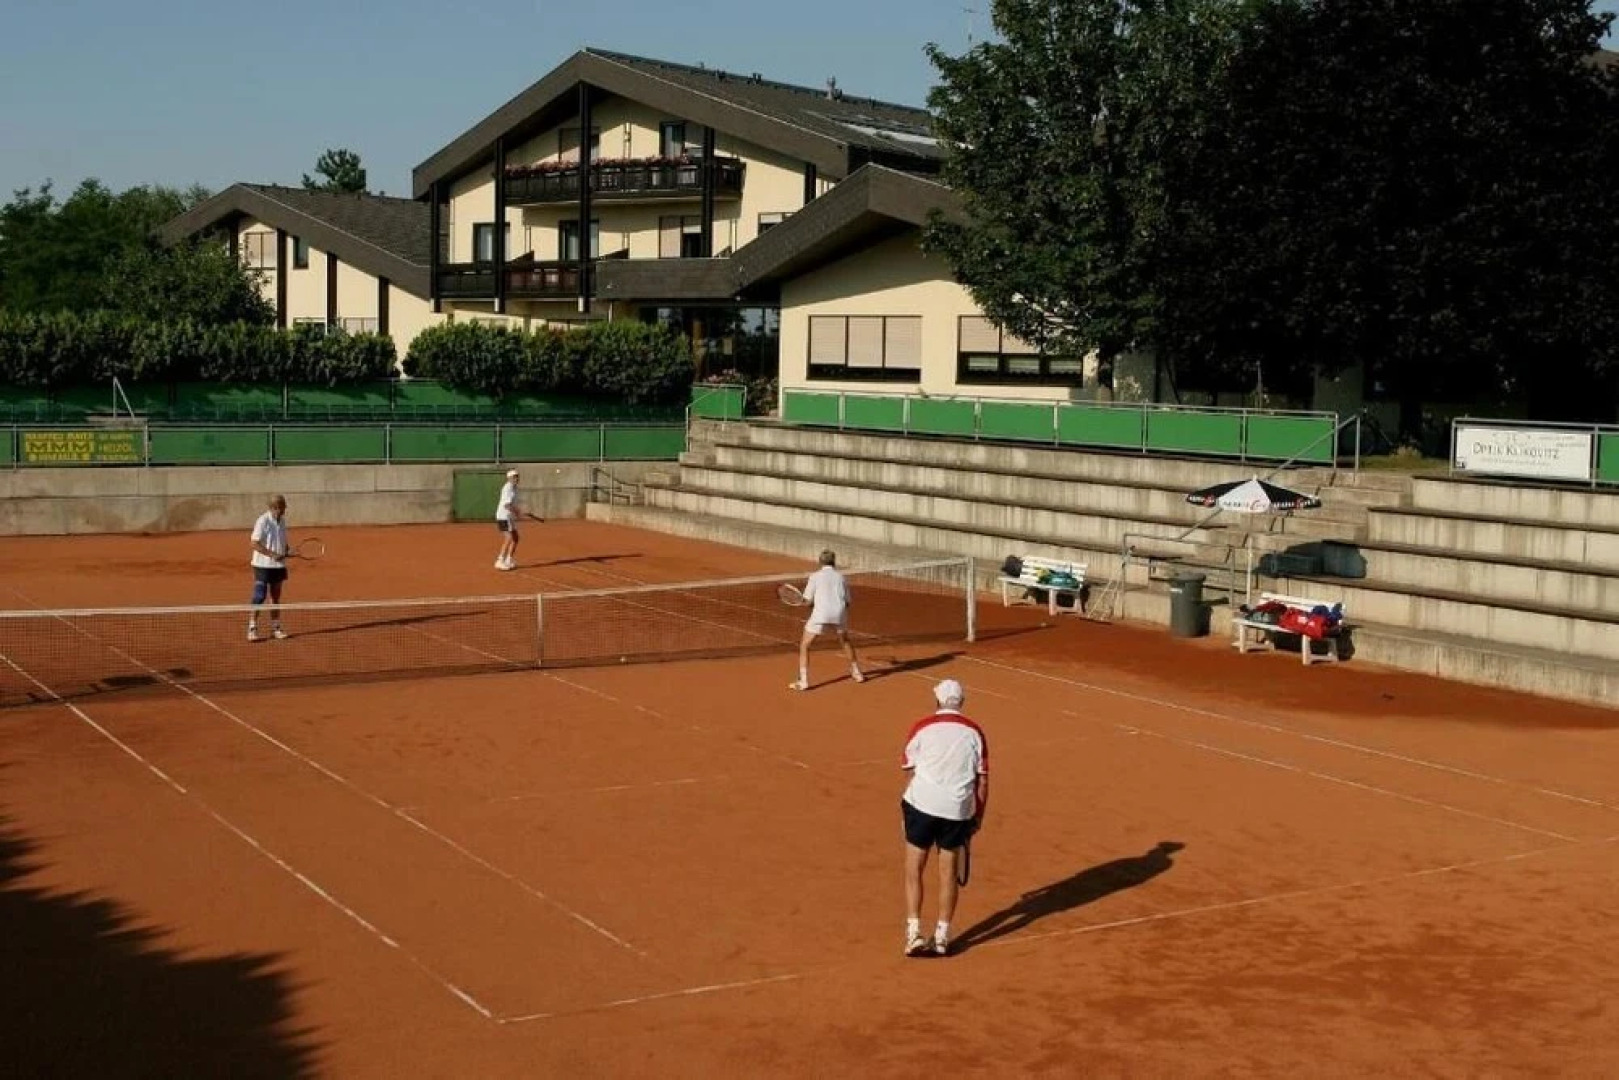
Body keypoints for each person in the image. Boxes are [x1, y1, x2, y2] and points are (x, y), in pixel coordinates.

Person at [900, 679, 988, 957]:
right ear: (961, 702)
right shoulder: (975, 732)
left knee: (914, 868)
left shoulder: (921, 726)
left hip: (922, 805)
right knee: (948, 872)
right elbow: (982, 781)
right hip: (957, 811)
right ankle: (942, 936)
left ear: (937, 701)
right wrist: (977, 817)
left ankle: (914, 933)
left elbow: (908, 769)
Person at [790, 549, 865, 691]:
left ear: (820, 562)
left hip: (821, 614)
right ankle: (857, 673)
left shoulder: (814, 577)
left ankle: (803, 681)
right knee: (845, 641)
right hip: (839, 613)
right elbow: (848, 601)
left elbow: (807, 601)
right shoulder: (841, 578)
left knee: (805, 645)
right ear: (834, 562)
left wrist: (804, 602)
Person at [248, 495, 290, 642]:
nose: (285, 510)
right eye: (282, 507)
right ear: (274, 507)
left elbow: (283, 542)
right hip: (262, 566)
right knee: (259, 596)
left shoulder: (283, 521)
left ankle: (276, 627)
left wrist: (285, 550)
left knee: (275, 597)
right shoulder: (262, 521)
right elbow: (254, 543)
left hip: (278, 566)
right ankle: (252, 628)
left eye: (284, 507)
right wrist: (272, 554)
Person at [495, 469, 522, 570]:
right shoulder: (508, 488)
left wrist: (516, 512)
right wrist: (517, 512)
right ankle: (500, 560)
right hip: (503, 516)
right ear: (509, 478)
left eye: (517, 476)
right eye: (514, 477)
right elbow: (506, 505)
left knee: (515, 538)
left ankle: (509, 559)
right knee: (509, 538)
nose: (516, 478)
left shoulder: (514, 488)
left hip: (509, 516)